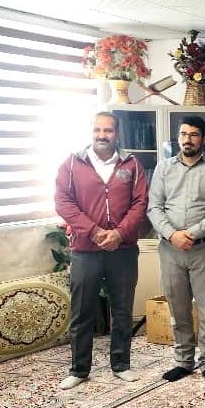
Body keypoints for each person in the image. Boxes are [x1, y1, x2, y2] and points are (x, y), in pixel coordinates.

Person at [54, 112, 148, 390]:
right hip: (85, 250)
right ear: (91, 132)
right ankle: (79, 369)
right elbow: (63, 202)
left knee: (122, 310)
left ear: (117, 134)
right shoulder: (72, 163)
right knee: (82, 312)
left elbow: (140, 203)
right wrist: (94, 232)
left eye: (108, 130)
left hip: (123, 249)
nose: (102, 135)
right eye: (97, 130)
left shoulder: (132, 164)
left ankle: (121, 364)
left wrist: (118, 234)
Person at [147, 116, 205, 385]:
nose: (187, 139)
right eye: (183, 134)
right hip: (170, 249)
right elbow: (154, 207)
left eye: (194, 135)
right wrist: (173, 235)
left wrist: (192, 234)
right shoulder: (164, 168)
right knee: (178, 307)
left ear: (204, 139)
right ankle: (183, 361)